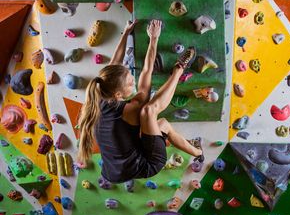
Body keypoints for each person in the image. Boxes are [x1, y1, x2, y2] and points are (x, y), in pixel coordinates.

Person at [77, 19, 203, 183]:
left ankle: (198, 153)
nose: (133, 83)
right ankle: (179, 70)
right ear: (118, 94)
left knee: (163, 125)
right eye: (130, 83)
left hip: (114, 171)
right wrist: (154, 39)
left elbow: (114, 64)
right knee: (148, 111)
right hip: (147, 164)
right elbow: (146, 71)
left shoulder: (100, 91)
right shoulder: (130, 109)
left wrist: (126, 32)